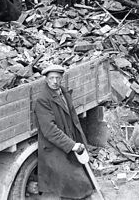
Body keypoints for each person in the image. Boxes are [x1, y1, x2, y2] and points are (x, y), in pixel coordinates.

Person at [34, 65, 93, 200]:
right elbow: (49, 130)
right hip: (55, 148)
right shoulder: (43, 99)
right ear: (46, 80)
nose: (54, 81)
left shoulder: (64, 93)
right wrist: (72, 145)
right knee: (74, 185)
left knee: (80, 184)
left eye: (57, 78)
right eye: (51, 78)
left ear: (62, 79)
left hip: (69, 142)